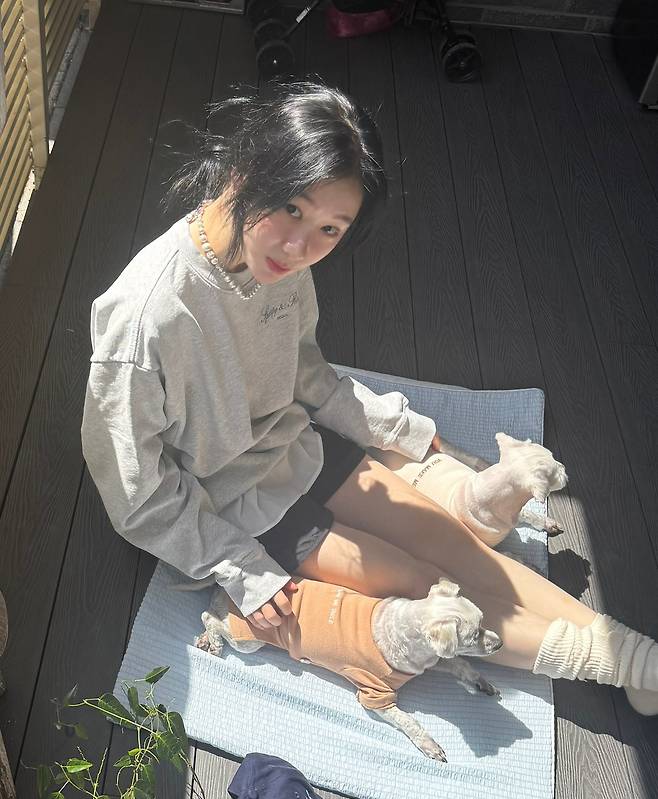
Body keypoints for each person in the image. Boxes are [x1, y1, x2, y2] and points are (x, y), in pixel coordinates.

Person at [81, 81, 657, 716]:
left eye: (330, 228)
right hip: (231, 506)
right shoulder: (146, 316)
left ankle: (638, 656)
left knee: (453, 542)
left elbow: (305, 370)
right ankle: (621, 668)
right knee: (432, 589)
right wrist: (239, 567)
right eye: (292, 209)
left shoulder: (282, 264)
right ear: (247, 168)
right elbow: (135, 491)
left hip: (295, 448)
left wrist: (400, 431)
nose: (301, 247)